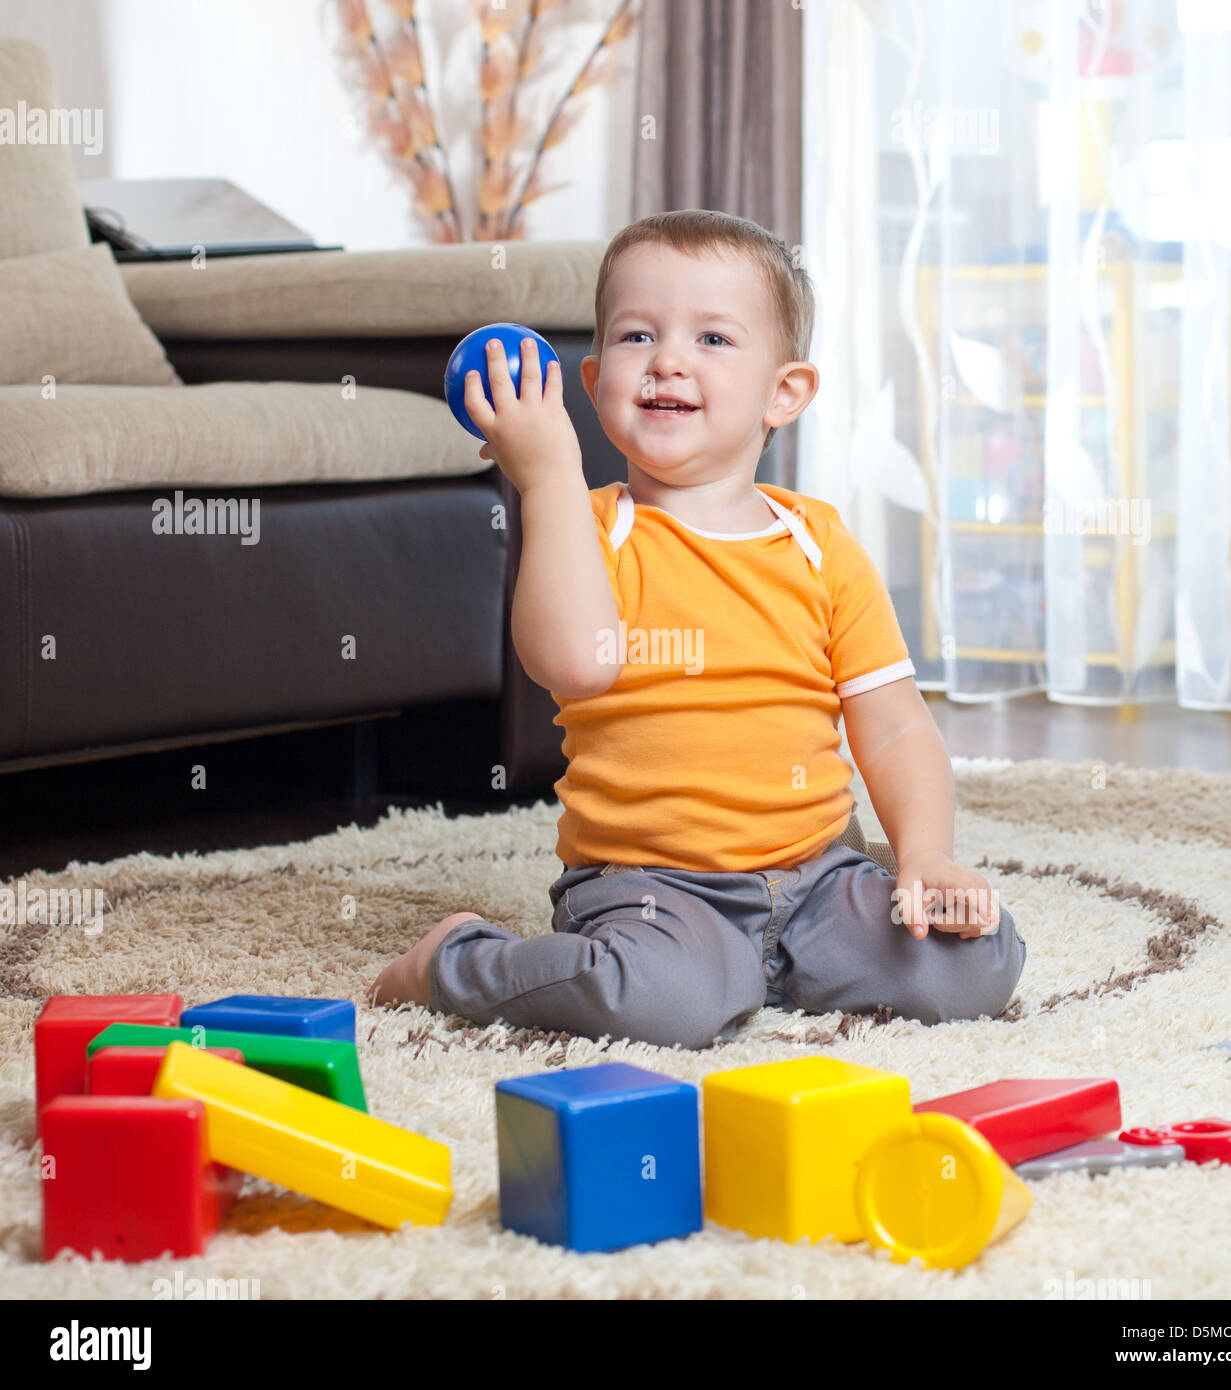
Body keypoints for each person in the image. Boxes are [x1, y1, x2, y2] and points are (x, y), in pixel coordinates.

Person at [370, 210, 1025, 1047]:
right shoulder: (590, 525)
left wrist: (926, 856)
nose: (669, 360)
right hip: (651, 886)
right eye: (640, 336)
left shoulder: (818, 544)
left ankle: (766, 963)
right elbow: (573, 662)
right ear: (596, 377)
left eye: (713, 339)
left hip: (819, 875)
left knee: (981, 961)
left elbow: (895, 726)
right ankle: (456, 960)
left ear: (783, 393)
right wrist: (548, 477)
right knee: (665, 1007)